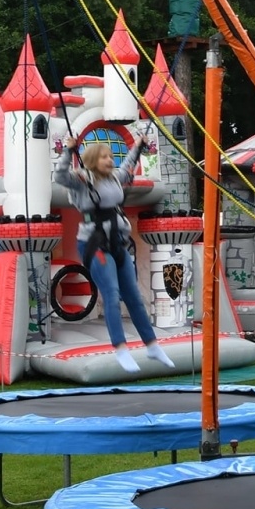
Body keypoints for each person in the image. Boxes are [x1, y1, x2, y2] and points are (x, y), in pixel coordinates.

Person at [55, 139, 174, 373]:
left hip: (118, 242)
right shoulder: (83, 180)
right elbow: (60, 176)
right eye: (104, 157)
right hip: (93, 243)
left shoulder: (115, 178)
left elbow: (129, 164)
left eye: (111, 156)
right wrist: (69, 150)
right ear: (92, 161)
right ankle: (120, 348)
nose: (110, 160)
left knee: (134, 297)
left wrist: (138, 146)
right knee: (111, 294)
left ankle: (152, 345)